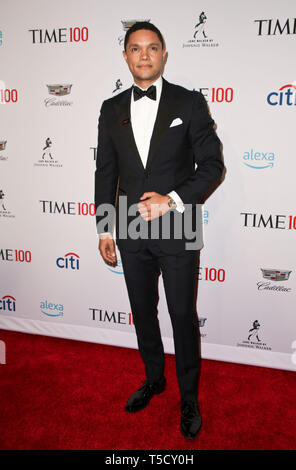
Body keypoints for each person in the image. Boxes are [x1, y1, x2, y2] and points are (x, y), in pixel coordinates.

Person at [95, 21, 224, 439]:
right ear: (126, 56)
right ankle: (154, 378)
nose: (145, 55)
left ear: (164, 54)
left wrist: (171, 199)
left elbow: (212, 167)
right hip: (130, 227)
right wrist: (104, 228)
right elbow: (106, 172)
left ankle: (189, 398)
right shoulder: (111, 108)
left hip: (180, 222)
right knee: (143, 311)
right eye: (136, 48)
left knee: (182, 315)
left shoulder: (189, 103)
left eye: (153, 48)